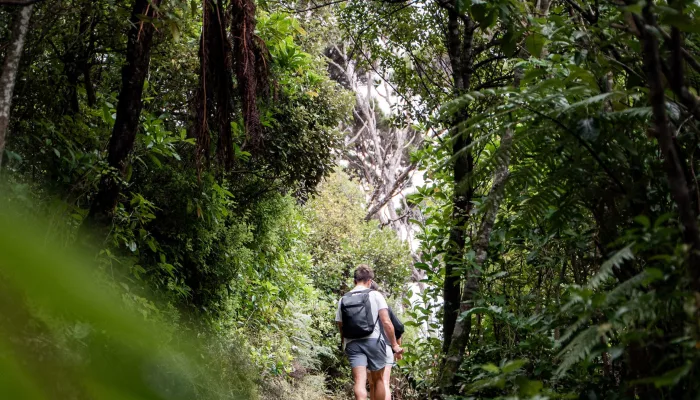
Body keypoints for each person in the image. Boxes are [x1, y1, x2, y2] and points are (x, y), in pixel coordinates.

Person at [336, 265, 404, 400]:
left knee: (359, 382)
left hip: (352, 343)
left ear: (354, 281)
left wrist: (344, 342)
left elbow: (340, 325)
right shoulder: (375, 295)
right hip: (374, 341)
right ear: (370, 281)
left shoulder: (343, 299)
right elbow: (386, 322)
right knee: (378, 379)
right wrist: (394, 345)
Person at [368, 281, 404, 400]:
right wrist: (397, 347)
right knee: (384, 382)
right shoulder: (383, 306)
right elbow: (398, 327)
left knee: (373, 383)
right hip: (385, 347)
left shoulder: (362, 307)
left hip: (367, 346)